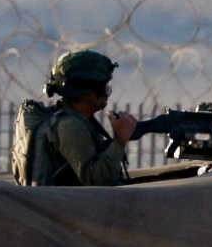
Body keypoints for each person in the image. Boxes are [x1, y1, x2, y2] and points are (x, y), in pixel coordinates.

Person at [14, 49, 137, 187]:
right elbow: (96, 181)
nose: (108, 94)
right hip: (69, 207)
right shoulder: (69, 125)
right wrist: (120, 140)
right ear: (86, 93)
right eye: (104, 87)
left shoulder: (74, 119)